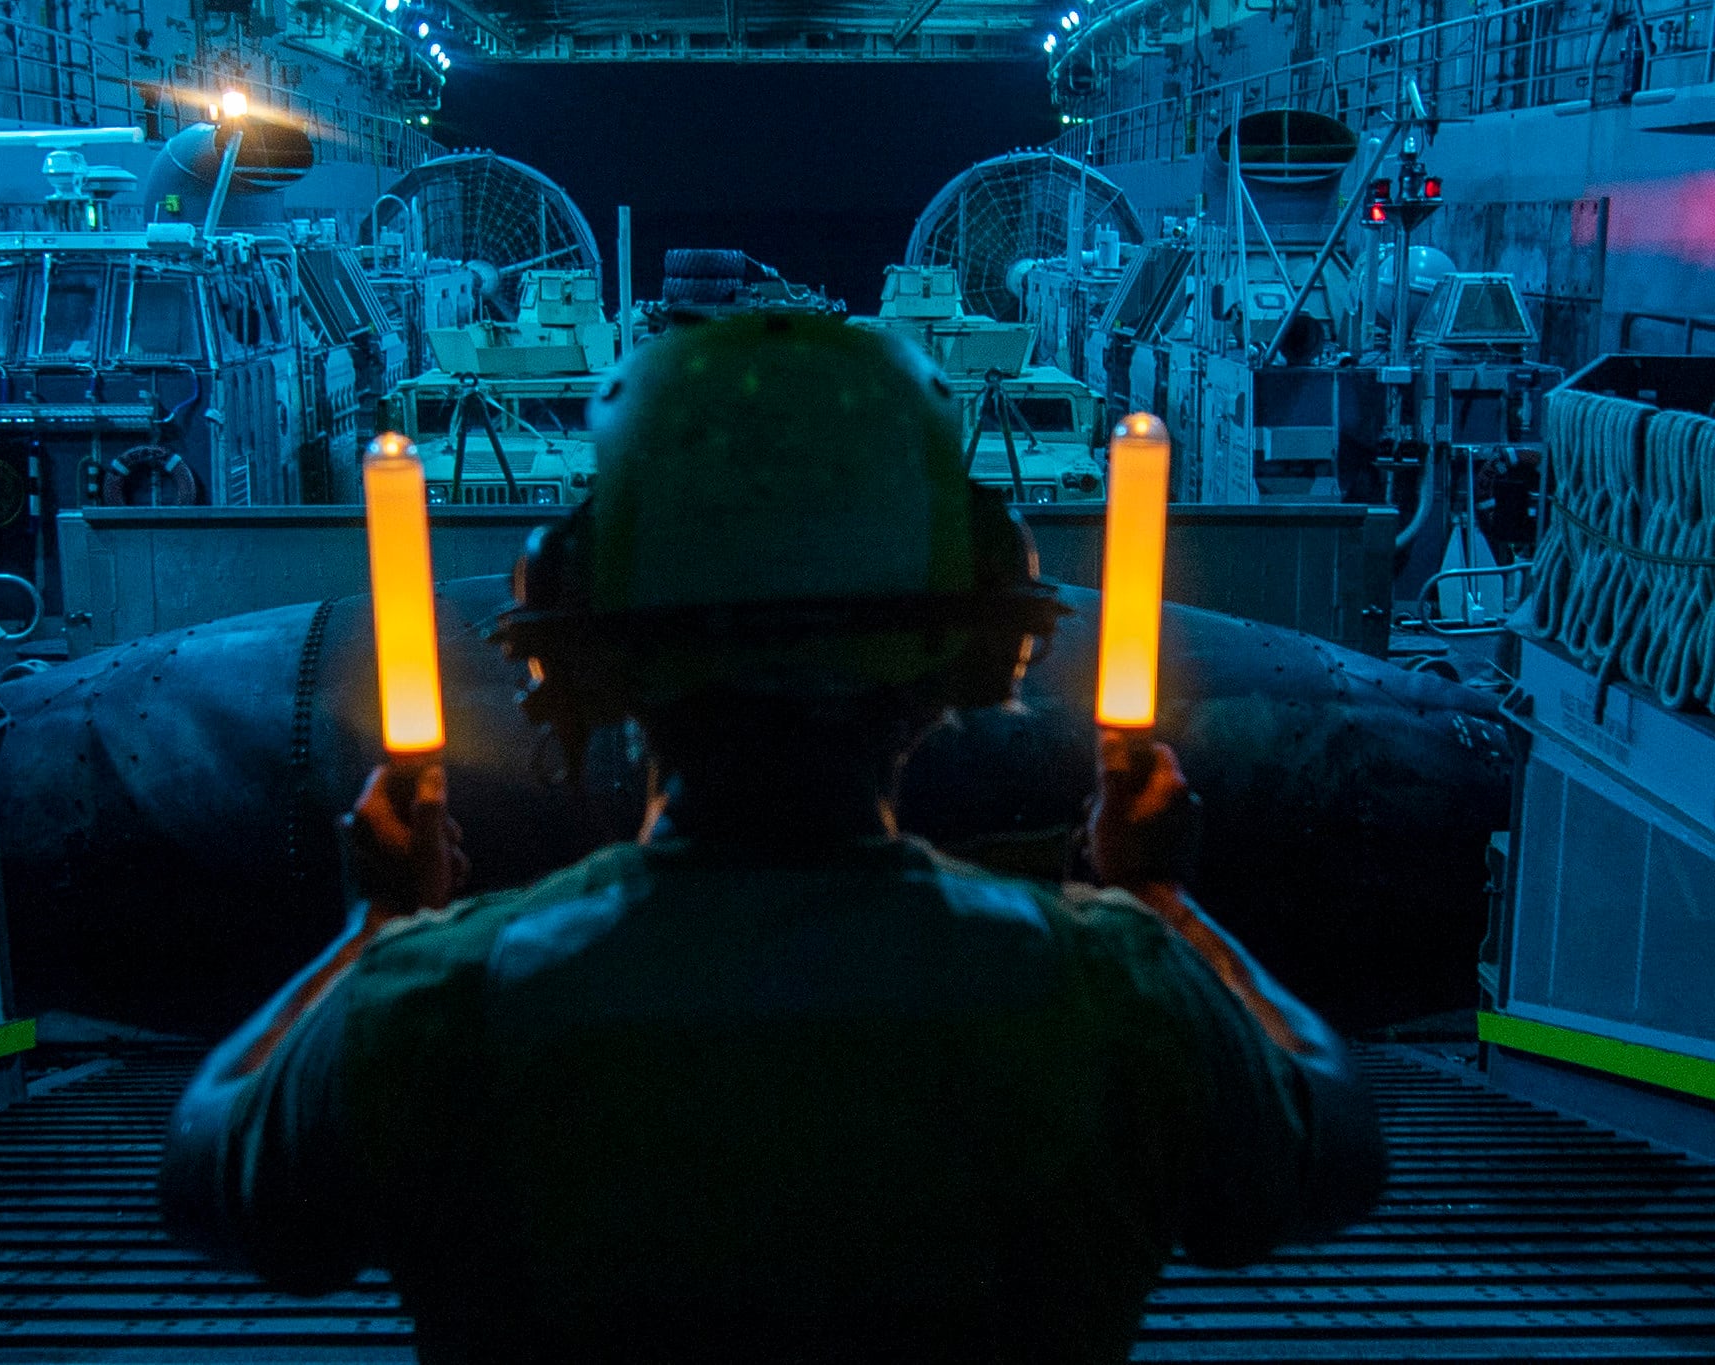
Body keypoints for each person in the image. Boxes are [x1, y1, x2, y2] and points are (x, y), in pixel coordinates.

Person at [159, 314, 1388, 1363]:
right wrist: (1163, 907)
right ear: (968, 650)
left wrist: (374, 930)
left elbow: (216, 1165)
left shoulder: (437, 1006)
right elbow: (1329, 1143)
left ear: (580, 633)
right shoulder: (1117, 992)